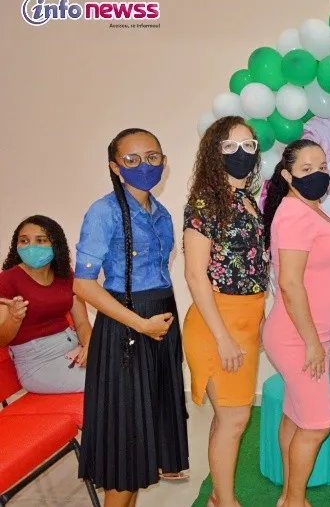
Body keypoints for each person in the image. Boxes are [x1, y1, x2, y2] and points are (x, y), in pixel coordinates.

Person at [74, 128, 189, 507]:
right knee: (127, 443)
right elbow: (83, 285)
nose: (144, 165)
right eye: (132, 159)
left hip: (161, 324)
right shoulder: (104, 212)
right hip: (128, 328)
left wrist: (159, 326)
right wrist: (141, 324)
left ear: (164, 162)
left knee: (145, 437)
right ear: (115, 166)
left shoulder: (162, 213)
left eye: (152, 157)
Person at [183, 116, 268, 507]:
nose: (241, 153)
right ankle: (225, 500)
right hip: (216, 323)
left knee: (233, 417)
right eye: (230, 146)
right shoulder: (204, 202)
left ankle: (220, 496)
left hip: (246, 320)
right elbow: (195, 275)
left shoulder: (248, 200)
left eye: (249, 146)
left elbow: (253, 266)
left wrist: (259, 320)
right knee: (233, 419)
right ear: (213, 152)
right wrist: (223, 337)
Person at [261, 139, 330, 507]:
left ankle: (288, 497)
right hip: (298, 337)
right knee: (317, 424)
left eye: (322, 166)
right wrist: (312, 341)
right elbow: (290, 283)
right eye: (306, 169)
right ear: (287, 175)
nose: (318, 174)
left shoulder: (310, 208)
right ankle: (295, 501)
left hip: (313, 335)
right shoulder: (294, 213)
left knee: (297, 417)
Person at [0, 215, 91, 393]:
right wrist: (14, 318)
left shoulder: (65, 274)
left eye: (40, 240)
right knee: (108, 382)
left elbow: (81, 322)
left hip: (72, 348)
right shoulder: (6, 280)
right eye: (24, 241)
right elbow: (2, 340)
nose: (31, 247)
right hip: (39, 364)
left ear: (55, 245)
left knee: (128, 366)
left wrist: (89, 345)